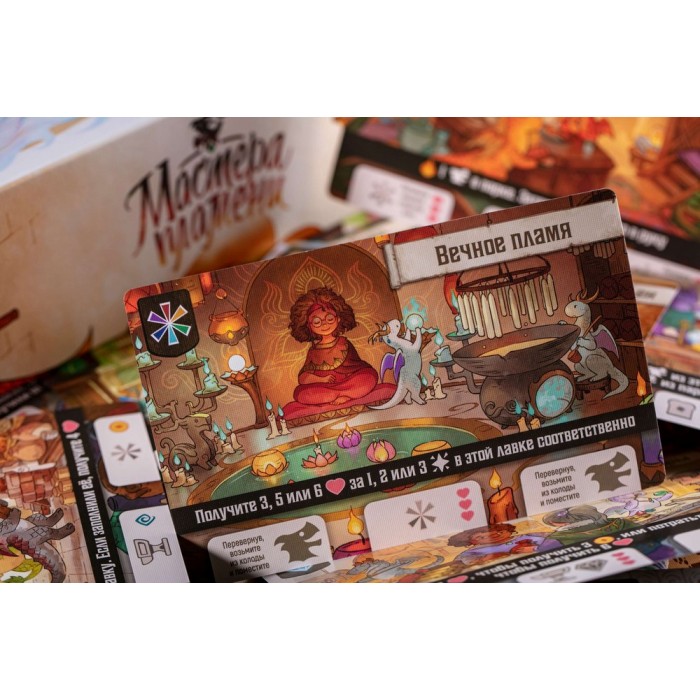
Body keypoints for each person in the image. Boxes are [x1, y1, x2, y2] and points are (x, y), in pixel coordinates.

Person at [289, 287, 378, 406]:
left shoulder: (344, 343)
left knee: (369, 376)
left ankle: (343, 394)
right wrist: (321, 380)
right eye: (317, 321)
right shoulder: (313, 351)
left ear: (338, 318)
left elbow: (359, 367)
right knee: (300, 393)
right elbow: (303, 378)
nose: (324, 324)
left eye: (329, 318)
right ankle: (339, 394)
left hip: (349, 383)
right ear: (309, 325)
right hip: (325, 388)